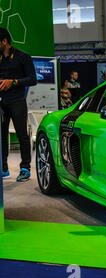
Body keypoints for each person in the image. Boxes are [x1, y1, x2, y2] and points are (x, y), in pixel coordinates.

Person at [0, 28, 37, 182]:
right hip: (1, 102)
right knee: (1, 137)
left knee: (22, 135)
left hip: (17, 101)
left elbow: (32, 79)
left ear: (4, 42)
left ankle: (25, 168)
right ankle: (3, 168)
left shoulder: (23, 57)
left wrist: (13, 82)